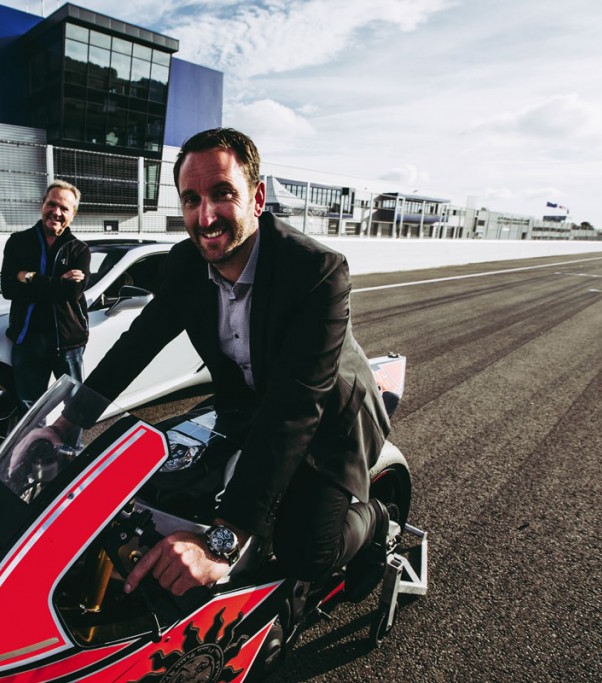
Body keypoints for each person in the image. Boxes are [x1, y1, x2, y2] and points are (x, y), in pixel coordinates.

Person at [78, 128, 393, 599]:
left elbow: (294, 408)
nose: (205, 216)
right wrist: (66, 421)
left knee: (304, 551)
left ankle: (378, 518)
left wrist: (223, 541)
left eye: (222, 193)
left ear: (257, 197)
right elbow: (135, 345)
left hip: (330, 415)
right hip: (248, 401)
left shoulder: (317, 271)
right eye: (191, 199)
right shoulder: (183, 263)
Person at [1, 180, 91, 408]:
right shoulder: (18, 242)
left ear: (73, 214)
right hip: (28, 339)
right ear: (42, 205)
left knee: (74, 405)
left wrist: (28, 277)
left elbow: (72, 292)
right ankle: (35, 445)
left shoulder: (79, 249)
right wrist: (57, 283)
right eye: (52, 204)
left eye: (64, 208)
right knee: (29, 406)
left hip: (69, 341)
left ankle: (73, 445)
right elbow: (8, 288)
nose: (56, 212)